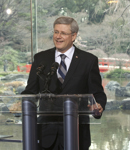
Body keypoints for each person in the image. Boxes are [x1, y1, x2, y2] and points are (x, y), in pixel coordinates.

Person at [21, 16, 107, 150]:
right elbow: (30, 91)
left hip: (77, 134)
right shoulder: (41, 58)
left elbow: (98, 93)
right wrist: (20, 102)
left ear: (73, 36)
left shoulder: (88, 61)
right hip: (45, 134)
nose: (58, 36)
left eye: (63, 33)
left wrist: (99, 105)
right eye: (56, 32)